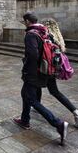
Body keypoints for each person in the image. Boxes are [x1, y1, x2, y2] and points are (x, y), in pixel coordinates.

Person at [13, 12, 68, 145]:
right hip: (45, 71)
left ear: (27, 21)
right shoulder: (45, 32)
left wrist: (26, 69)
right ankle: (25, 120)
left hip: (33, 73)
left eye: (24, 21)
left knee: (31, 98)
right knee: (26, 94)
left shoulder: (31, 34)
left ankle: (58, 124)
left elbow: (32, 55)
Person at [38, 18, 78, 128]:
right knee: (49, 89)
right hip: (54, 68)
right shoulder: (58, 37)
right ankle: (36, 105)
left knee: (52, 91)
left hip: (48, 68)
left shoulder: (48, 36)